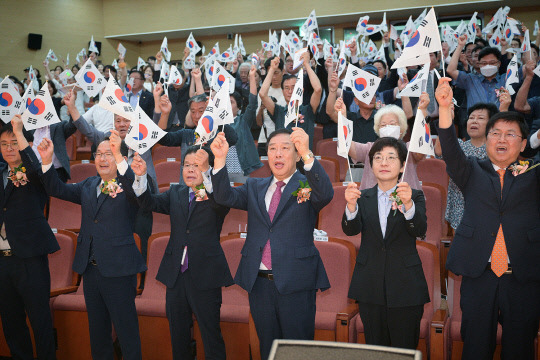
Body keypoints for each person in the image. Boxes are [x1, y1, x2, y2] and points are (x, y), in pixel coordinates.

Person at [436, 77, 540, 359]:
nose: (502, 139)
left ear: (522, 145)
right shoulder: (472, 169)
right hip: (478, 273)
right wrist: (445, 110)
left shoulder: (534, 171)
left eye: (510, 134)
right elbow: (449, 147)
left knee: (520, 348)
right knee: (476, 346)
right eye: (495, 133)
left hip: (523, 276)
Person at [208, 127, 333, 360]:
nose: (277, 154)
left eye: (285, 148)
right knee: (268, 348)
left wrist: (308, 153)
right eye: (272, 149)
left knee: (297, 351)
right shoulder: (255, 187)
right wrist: (220, 160)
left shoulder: (306, 184)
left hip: (296, 282)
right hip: (260, 284)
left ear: (296, 155)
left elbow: (325, 194)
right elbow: (224, 197)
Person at [35, 130, 147, 360]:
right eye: (99, 154)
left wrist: (122, 160)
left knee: (127, 333)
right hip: (90, 269)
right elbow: (57, 189)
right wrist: (47, 162)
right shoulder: (88, 184)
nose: (103, 159)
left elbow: (140, 190)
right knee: (98, 333)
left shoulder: (131, 185)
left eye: (110, 154)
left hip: (118, 270)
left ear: (120, 158)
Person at [129, 146, 233, 360]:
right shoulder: (175, 192)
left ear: (206, 168)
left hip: (205, 275)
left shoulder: (217, 195)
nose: (190, 170)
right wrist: (140, 178)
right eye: (187, 165)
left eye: (196, 165)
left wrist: (208, 176)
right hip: (176, 275)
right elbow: (150, 203)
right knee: (178, 336)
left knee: (211, 336)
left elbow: (222, 200)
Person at [342, 137, 429, 349]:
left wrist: (407, 204)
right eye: (378, 158)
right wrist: (351, 207)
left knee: (404, 349)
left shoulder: (414, 195)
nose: (384, 162)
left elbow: (419, 230)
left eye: (391, 158)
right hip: (370, 285)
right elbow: (350, 230)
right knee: (376, 348)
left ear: (402, 166)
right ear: (370, 166)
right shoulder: (362, 196)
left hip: (406, 286)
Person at [0, 118, 59, 360]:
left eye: (14, 142)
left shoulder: (35, 172)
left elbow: (35, 166)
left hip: (30, 259)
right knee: (11, 322)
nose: (9, 148)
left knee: (40, 320)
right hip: (3, 262)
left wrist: (19, 132)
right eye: (4, 143)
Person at [337, 93, 427, 190]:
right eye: (383, 125)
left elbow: (421, 150)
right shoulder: (370, 148)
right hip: (372, 202)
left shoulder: (409, 148)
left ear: (401, 128)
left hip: (407, 201)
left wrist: (423, 112)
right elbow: (347, 145)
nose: (387, 127)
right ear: (378, 129)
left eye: (392, 124)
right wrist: (342, 117)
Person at [434, 102, 499, 230]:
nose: (474, 121)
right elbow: (440, 149)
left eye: (480, 118)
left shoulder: (496, 150)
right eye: (471, 118)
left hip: (487, 206)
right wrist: (447, 118)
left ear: (492, 124)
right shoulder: (458, 145)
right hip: (459, 208)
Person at [259, 55, 322, 150]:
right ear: (283, 91)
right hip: (284, 160)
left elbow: (318, 89)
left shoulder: (308, 110)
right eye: (287, 88)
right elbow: (263, 94)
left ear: (301, 90)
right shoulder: (278, 111)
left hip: (304, 160)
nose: (290, 91)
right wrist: (272, 69)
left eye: (294, 88)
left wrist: (307, 65)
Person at [447, 35, 506, 112]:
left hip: (498, 122)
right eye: (484, 63)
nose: (488, 66)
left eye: (492, 63)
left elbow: (526, 69)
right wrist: (460, 46)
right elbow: (451, 70)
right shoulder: (470, 80)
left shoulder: (506, 79)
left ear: (499, 64)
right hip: (475, 122)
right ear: (480, 64)